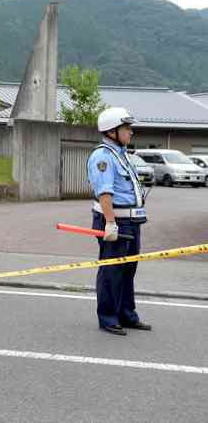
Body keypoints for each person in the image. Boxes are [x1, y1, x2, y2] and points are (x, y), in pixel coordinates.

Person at [86, 107, 151, 336]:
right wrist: (110, 223)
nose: (131, 132)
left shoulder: (120, 154)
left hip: (131, 223)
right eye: (126, 128)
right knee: (111, 272)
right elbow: (105, 194)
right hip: (115, 223)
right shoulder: (103, 156)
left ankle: (126, 314)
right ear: (112, 131)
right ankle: (108, 317)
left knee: (127, 271)